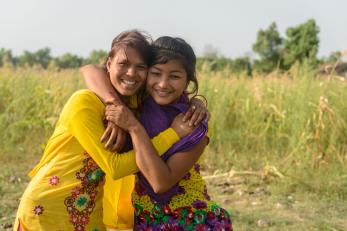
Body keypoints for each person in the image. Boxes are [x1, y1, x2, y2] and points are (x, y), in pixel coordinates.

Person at [13, 30, 203, 231]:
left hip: (89, 210)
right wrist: (172, 133)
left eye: (141, 67)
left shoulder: (134, 103)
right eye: (123, 64)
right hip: (46, 209)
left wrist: (197, 103)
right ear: (108, 63)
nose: (131, 73)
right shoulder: (82, 103)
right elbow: (115, 167)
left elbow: (171, 90)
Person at [90, 36, 233, 230]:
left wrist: (134, 127)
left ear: (188, 81)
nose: (163, 84)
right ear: (146, 72)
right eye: (156, 73)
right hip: (143, 218)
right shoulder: (139, 101)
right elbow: (91, 70)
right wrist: (114, 106)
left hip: (187, 220)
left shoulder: (193, 123)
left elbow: (160, 183)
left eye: (174, 76)